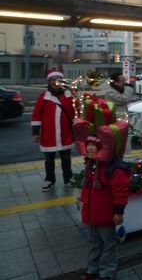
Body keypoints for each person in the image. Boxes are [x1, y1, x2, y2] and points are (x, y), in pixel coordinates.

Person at [80, 135, 131, 280]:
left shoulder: (114, 168)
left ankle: (107, 273)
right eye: (88, 144)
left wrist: (118, 212)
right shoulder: (91, 164)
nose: (89, 148)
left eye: (94, 145)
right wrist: (82, 201)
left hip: (106, 215)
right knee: (93, 243)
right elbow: (86, 187)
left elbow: (120, 191)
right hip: (91, 214)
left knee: (109, 245)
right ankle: (92, 269)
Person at [32, 69, 76, 192]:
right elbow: (36, 115)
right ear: (49, 81)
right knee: (48, 160)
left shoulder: (70, 95)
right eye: (52, 79)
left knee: (66, 158)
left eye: (57, 79)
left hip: (65, 133)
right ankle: (50, 180)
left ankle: (68, 179)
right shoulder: (43, 97)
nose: (55, 82)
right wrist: (35, 133)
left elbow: (76, 113)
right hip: (48, 134)